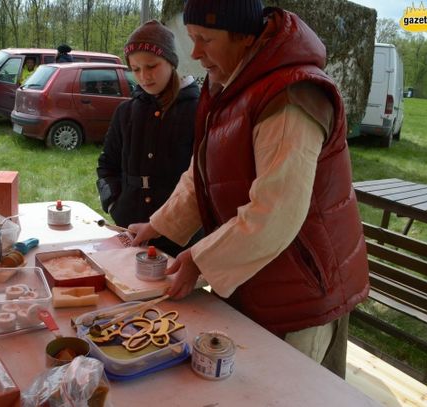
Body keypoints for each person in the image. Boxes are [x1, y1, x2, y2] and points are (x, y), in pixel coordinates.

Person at [129, 0, 369, 378]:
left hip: (300, 291)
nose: (195, 53)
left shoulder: (291, 96)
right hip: (255, 276)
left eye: (205, 39)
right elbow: (202, 173)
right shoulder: (228, 80)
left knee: (287, 392)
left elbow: (276, 213)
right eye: (192, 39)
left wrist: (199, 259)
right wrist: (158, 225)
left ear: (243, 37)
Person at [96, 20, 201, 257]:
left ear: (171, 63)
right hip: (130, 227)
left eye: (152, 66)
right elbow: (107, 165)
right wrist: (114, 204)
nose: (144, 76)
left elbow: (203, 179)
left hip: (180, 237)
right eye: (135, 69)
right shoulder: (126, 112)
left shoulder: (199, 111)